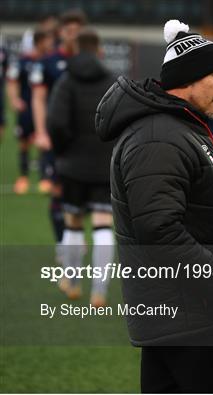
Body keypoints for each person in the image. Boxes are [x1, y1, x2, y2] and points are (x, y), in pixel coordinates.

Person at [96, 20, 213, 393]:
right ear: (188, 76)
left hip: (187, 321)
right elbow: (159, 231)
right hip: (193, 322)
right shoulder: (159, 136)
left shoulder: (179, 129)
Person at [47, 28, 117, 306]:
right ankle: (99, 291)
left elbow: (56, 123)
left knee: (73, 223)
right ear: (99, 51)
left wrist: (63, 152)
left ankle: (72, 282)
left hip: (73, 165)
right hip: (104, 165)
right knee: (103, 225)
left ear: (75, 51)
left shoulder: (67, 81)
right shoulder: (114, 81)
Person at [31, 9, 87, 261]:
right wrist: (41, 132)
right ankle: (63, 242)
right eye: (68, 29)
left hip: (85, 139)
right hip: (56, 137)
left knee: (83, 191)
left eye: (77, 30)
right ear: (60, 32)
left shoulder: (89, 60)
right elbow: (38, 98)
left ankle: (74, 234)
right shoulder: (47, 63)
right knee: (56, 191)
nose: (72, 34)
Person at [7, 28, 55, 194]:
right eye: (48, 40)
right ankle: (23, 177)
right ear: (40, 41)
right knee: (24, 143)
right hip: (27, 109)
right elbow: (12, 80)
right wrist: (14, 100)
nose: (51, 43)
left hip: (43, 109)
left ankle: (45, 178)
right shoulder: (23, 61)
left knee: (44, 142)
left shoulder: (50, 61)